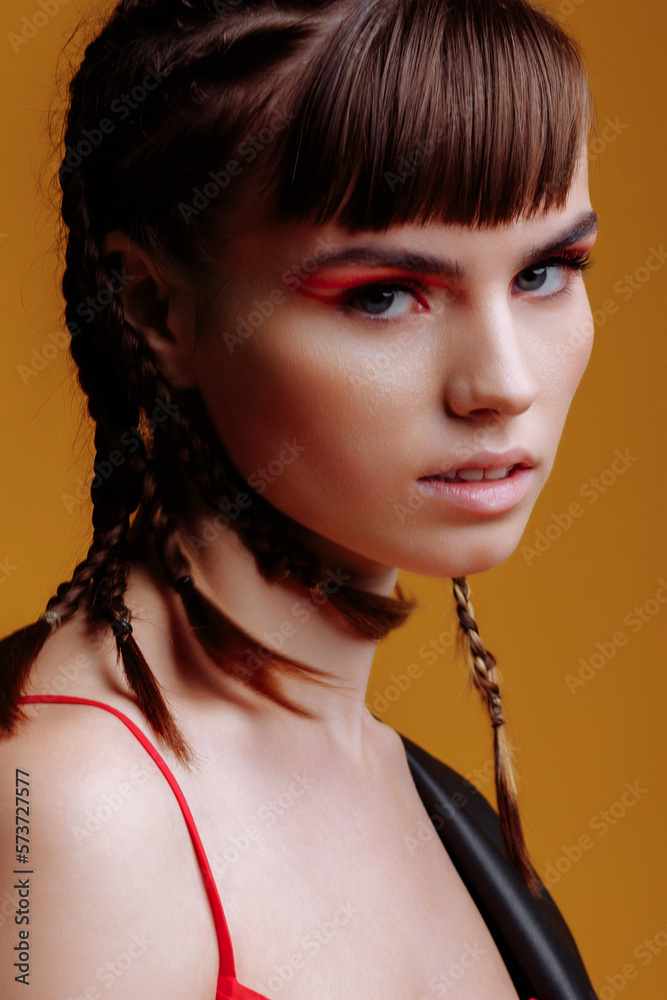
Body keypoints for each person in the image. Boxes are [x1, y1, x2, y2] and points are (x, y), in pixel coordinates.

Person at [0, 0, 601, 997]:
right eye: (382, 293)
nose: (502, 381)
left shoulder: (417, 790)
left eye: (545, 271)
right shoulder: (75, 807)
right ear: (157, 308)